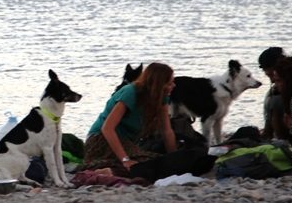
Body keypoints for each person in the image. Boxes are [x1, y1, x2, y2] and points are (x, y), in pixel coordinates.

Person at [83, 62, 213, 182]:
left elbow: (167, 130)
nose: (174, 85)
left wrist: (174, 156)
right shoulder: (131, 92)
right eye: (170, 82)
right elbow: (107, 128)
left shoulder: (162, 97)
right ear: (158, 84)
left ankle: (117, 168)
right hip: (100, 140)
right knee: (147, 163)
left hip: (128, 143)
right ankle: (111, 171)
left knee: (161, 161)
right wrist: (125, 160)